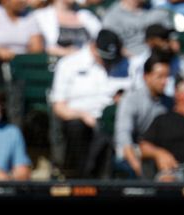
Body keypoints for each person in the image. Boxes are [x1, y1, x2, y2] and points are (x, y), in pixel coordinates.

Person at [49, 29, 124, 179]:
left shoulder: (124, 65)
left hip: (113, 119)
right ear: (93, 47)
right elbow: (59, 106)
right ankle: (80, 179)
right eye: (104, 57)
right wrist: (83, 115)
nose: (107, 62)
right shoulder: (69, 64)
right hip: (81, 121)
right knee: (79, 128)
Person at [114, 52, 172, 178]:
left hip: (159, 153)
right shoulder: (131, 100)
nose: (164, 82)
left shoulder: (168, 102)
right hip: (133, 154)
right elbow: (124, 139)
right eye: (160, 77)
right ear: (146, 77)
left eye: (167, 77)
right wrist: (138, 169)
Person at [100, 0, 171, 58]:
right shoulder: (111, 18)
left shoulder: (158, 9)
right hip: (130, 64)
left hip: (161, 59)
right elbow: (113, 48)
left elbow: (172, 38)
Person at [33, 0, 101, 57]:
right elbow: (38, 48)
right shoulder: (39, 16)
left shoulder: (86, 15)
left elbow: (100, 40)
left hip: (86, 65)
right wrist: (63, 52)